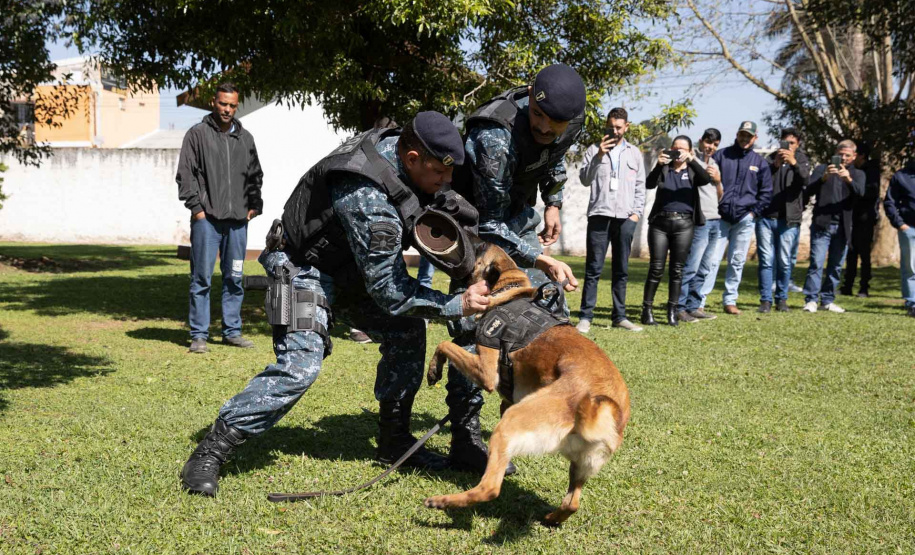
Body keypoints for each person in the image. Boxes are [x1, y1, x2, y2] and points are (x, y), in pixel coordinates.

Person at [180, 112, 492, 497]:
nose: (446, 183)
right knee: (301, 364)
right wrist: (454, 304)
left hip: (346, 271)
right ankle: (211, 450)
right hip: (300, 269)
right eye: (439, 173)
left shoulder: (400, 155)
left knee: (406, 330)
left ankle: (394, 440)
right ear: (411, 158)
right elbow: (390, 291)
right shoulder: (368, 198)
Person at [444, 63, 582, 475]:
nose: (543, 129)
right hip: (471, 226)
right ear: (529, 95)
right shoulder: (495, 136)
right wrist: (539, 257)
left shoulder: (567, 124)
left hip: (516, 216)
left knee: (548, 309)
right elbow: (488, 223)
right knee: (477, 326)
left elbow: (554, 160)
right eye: (538, 118)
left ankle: (525, 409)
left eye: (554, 124)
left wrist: (553, 203)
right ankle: (465, 438)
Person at [177, 82, 263, 353]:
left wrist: (254, 204)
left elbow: (255, 175)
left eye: (232, 105)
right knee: (201, 278)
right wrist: (197, 209)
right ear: (213, 103)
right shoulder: (197, 135)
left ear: (236, 106)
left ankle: (232, 331)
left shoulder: (245, 138)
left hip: (238, 222)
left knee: (234, 277)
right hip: (207, 222)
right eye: (222, 104)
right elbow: (185, 175)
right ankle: (199, 335)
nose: (227, 109)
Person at [576, 107, 646, 333]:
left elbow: (640, 186)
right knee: (593, 269)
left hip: (625, 218)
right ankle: (586, 316)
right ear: (606, 125)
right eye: (611, 126)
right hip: (599, 215)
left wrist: (636, 214)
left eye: (619, 127)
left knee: (621, 270)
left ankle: (620, 316)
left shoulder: (634, 153)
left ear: (626, 127)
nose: (615, 131)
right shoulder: (594, 150)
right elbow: (585, 180)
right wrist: (598, 157)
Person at [700, 121, 772, 315]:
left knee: (737, 260)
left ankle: (730, 300)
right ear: (737, 134)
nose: (744, 138)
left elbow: (766, 193)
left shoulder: (760, 163)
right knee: (712, 260)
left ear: (755, 137)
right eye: (742, 134)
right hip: (720, 217)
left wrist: (753, 213)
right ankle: (700, 300)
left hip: (744, 219)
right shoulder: (721, 155)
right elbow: (707, 183)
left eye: (749, 135)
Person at [641, 136, 712, 326]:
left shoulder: (693, 170)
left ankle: (672, 311)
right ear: (670, 149)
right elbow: (649, 184)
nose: (679, 152)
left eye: (683, 149)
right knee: (656, 268)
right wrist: (657, 165)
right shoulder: (664, 168)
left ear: (690, 151)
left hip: (684, 225)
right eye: (676, 148)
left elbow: (706, 179)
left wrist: (692, 160)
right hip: (660, 223)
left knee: (677, 270)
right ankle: (647, 311)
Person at [801, 140, 865, 313]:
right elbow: (808, 190)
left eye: (848, 155)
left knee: (836, 266)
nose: (843, 158)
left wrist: (848, 180)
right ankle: (811, 300)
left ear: (854, 157)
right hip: (822, 223)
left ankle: (827, 300)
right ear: (835, 153)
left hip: (843, 226)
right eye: (841, 154)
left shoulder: (857, 174)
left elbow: (861, 193)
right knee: (816, 263)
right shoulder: (823, 169)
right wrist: (823, 179)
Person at [758, 128, 811, 312]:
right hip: (767, 217)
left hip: (789, 219)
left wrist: (794, 163)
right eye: (784, 142)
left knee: (784, 260)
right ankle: (765, 300)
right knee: (765, 260)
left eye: (792, 143)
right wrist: (775, 166)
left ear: (797, 145)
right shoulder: (770, 159)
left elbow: (805, 181)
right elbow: (761, 183)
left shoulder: (802, 160)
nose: (787, 146)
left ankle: (782, 299)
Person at [678, 128, 723, 321]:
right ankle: (680, 307)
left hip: (716, 220)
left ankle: (694, 306)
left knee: (705, 267)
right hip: (700, 220)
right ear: (700, 141)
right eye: (707, 142)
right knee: (692, 266)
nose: (710, 147)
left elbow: (719, 195)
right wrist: (692, 159)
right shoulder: (690, 161)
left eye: (714, 144)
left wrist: (719, 181)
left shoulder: (714, 164)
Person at [841, 140, 881, 298]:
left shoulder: (870, 171)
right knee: (851, 252)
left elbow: (870, 193)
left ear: (861, 155)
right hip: (852, 215)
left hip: (865, 217)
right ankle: (847, 286)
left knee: (864, 254)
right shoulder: (852, 170)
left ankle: (864, 287)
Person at [883, 158, 915, 318]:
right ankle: (912, 303)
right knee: (910, 267)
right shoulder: (901, 176)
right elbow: (889, 202)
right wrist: (900, 224)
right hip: (909, 228)